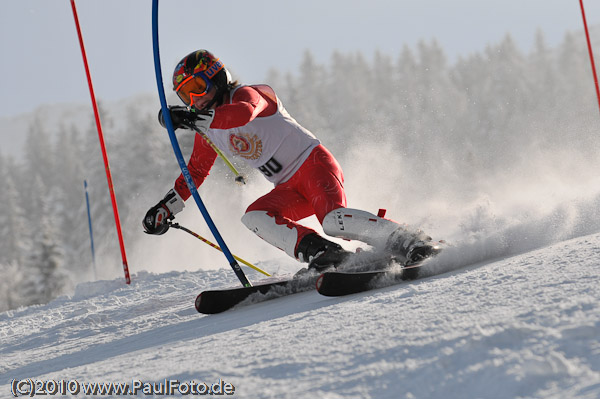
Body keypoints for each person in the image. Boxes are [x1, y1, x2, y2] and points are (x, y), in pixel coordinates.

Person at [143, 49, 438, 273]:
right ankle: (323, 253)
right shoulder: (208, 130)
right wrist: (166, 207)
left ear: (217, 77)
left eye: (197, 87)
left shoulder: (247, 94)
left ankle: (410, 240)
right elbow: (194, 170)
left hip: (314, 166)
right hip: (288, 188)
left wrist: (194, 117)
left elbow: (244, 113)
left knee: (333, 221)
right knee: (254, 216)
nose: (195, 99)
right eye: (185, 96)